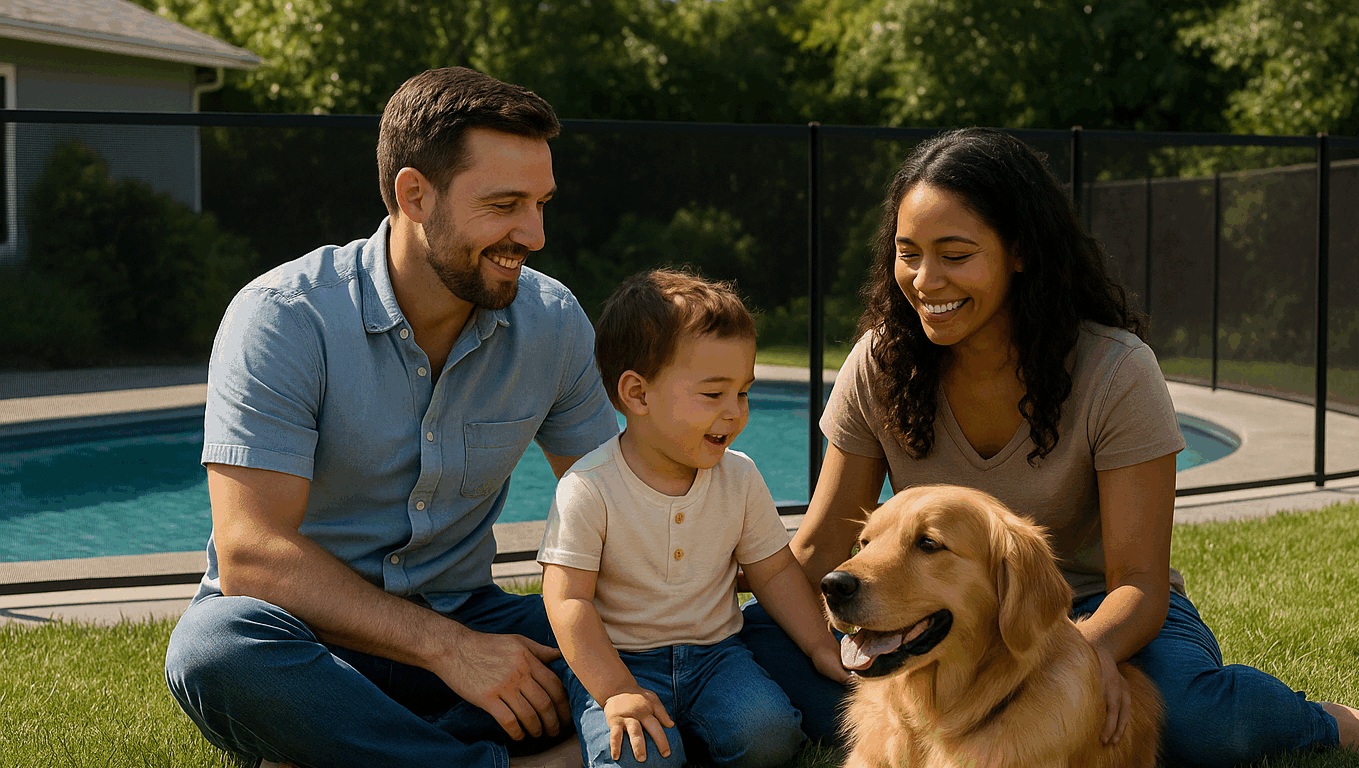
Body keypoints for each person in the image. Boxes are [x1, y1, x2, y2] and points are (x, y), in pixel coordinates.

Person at [743, 127, 1359, 766]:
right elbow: (820, 549)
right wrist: (682, 586)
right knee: (752, 659)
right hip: (933, 611)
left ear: (1020, 252)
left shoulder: (1116, 371)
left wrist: (1077, 661)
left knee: (1202, 727)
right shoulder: (881, 362)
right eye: (908, 254)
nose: (926, 282)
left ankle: (1325, 723)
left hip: (1097, 609)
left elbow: (1140, 583)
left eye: (955, 255)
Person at [163, 67, 619, 768]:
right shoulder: (284, 317)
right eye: (505, 205)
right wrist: (451, 651)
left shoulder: (552, 321)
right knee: (215, 648)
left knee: (647, 643)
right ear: (414, 194)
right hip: (308, 636)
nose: (533, 233)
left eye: (541, 203)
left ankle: (343, 745)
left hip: (472, 611)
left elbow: (620, 503)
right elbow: (251, 553)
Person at [539, 269, 849, 768]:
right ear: (638, 394)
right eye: (713, 394)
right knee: (639, 761)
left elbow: (775, 571)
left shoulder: (740, 477)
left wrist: (818, 646)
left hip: (716, 657)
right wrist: (616, 691)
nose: (734, 412)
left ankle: (690, 732)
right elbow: (567, 599)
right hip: (621, 662)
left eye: (744, 392)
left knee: (771, 739)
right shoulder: (588, 487)